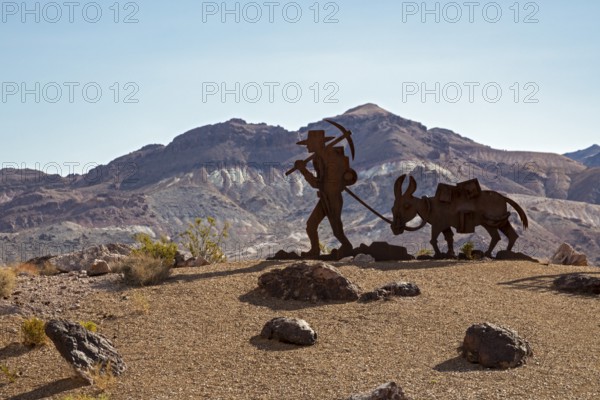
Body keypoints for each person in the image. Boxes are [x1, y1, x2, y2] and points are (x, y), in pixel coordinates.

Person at [294, 130, 354, 258]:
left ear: (317, 143)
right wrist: (303, 170)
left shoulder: (331, 158)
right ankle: (315, 251)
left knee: (337, 230)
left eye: (310, 143)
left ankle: (347, 248)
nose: (307, 146)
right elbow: (319, 183)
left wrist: (303, 170)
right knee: (311, 225)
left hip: (332, 198)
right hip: (325, 198)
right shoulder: (318, 159)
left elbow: (319, 184)